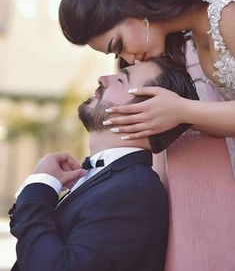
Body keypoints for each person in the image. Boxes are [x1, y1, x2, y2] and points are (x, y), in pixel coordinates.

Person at [59, 0, 235, 174]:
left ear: (134, 5)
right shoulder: (193, 32)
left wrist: (184, 110)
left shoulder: (229, 11)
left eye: (119, 45)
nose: (131, 60)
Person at [9, 57, 199, 271]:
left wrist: (39, 187)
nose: (102, 79)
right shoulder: (115, 180)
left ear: (148, 111)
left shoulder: (133, 191)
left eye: (121, 80)